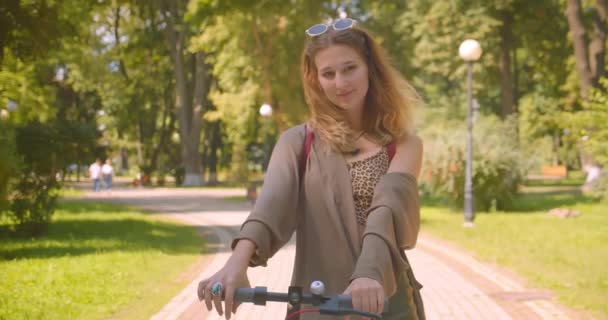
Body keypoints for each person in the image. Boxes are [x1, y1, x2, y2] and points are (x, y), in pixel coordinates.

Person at [197, 18, 425, 320]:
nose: (340, 83)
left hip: (385, 298)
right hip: (317, 303)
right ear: (315, 79)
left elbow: (388, 211)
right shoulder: (298, 141)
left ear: (370, 67)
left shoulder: (403, 144)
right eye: (328, 73)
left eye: (349, 68)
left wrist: (369, 275)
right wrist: (235, 264)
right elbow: (270, 206)